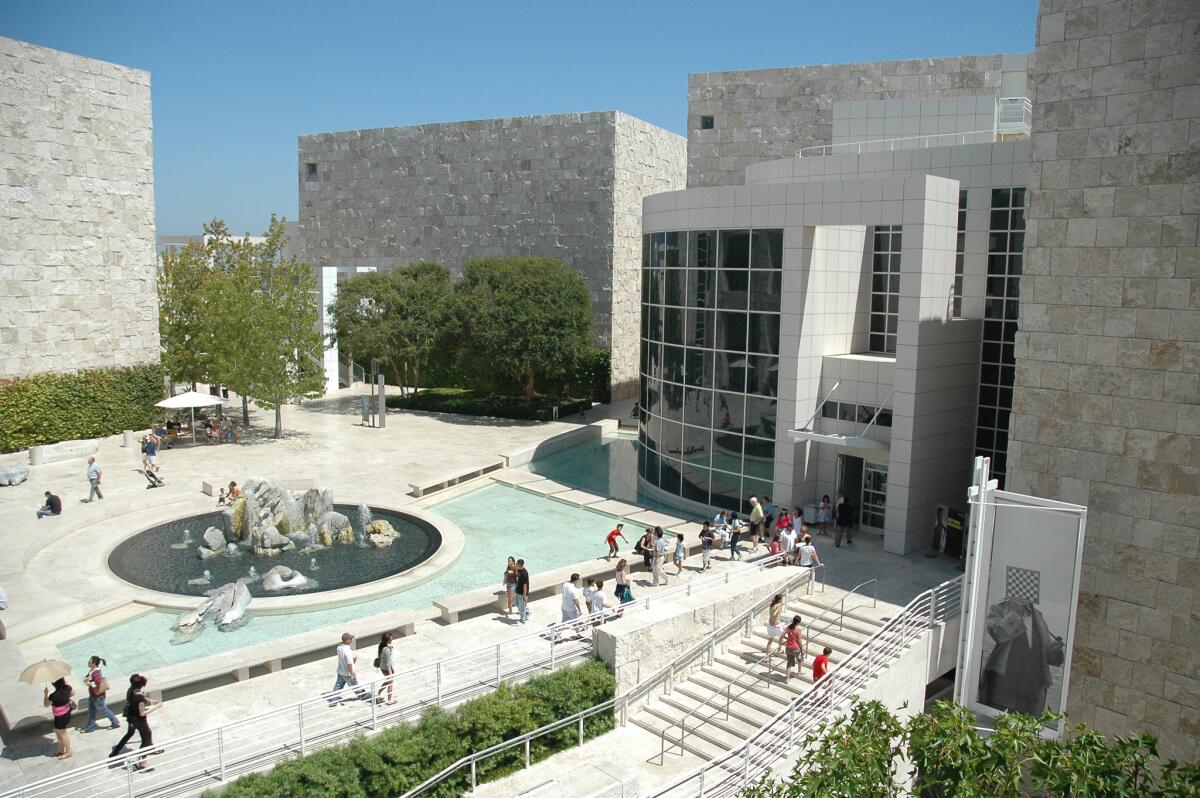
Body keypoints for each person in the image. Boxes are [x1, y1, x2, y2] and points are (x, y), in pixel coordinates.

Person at [978, 593, 1065, 716]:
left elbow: (1047, 653)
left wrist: (1056, 650)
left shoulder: (1038, 617)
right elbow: (998, 634)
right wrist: (1014, 613)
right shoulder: (1001, 609)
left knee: (1027, 730)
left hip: (1031, 691)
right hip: (1003, 686)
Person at [110, 674, 160, 769]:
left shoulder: (131, 690)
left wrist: (151, 701)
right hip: (139, 720)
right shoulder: (139, 697)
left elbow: (142, 696)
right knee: (146, 737)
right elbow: (142, 713)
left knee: (130, 733)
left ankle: (115, 751)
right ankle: (142, 762)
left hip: (131, 717)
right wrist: (155, 707)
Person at [328, 632, 369, 705]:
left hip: (340, 671)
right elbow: (349, 664)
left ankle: (333, 700)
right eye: (350, 639)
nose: (352, 640)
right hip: (347, 673)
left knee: (338, 686)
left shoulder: (339, 647)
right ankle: (362, 696)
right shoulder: (348, 651)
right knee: (354, 685)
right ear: (347, 641)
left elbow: (343, 658)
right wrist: (352, 674)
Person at [82, 656, 120, 732]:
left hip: (98, 696)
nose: (88, 663)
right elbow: (87, 678)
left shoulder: (96, 672)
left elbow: (98, 682)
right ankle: (91, 727)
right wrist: (86, 679)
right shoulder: (92, 670)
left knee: (104, 710)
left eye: (90, 662)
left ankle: (115, 722)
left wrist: (89, 683)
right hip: (93, 695)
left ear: (94, 663)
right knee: (91, 711)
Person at [44, 677, 75, 759]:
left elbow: (46, 704)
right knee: (57, 731)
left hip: (60, 716)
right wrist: (66, 698)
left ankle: (68, 751)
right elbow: (73, 693)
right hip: (66, 712)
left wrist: (45, 694)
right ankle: (61, 749)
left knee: (63, 733)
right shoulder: (68, 688)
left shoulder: (53, 696)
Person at [778, 615, 806, 682]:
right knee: (799, 659)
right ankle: (799, 671)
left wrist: (787, 639)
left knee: (789, 663)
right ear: (799, 622)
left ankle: (787, 678)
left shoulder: (788, 627)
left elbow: (782, 635)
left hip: (788, 647)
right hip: (795, 647)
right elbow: (799, 641)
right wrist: (802, 650)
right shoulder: (798, 630)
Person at [375, 632, 396, 705]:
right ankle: (389, 700)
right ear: (387, 640)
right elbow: (387, 663)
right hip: (387, 669)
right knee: (390, 683)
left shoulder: (381, 646)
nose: (392, 639)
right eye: (391, 638)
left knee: (387, 682)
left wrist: (389, 649)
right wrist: (390, 674)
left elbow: (380, 656)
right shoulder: (386, 650)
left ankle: (378, 694)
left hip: (382, 667)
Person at [764, 594, 784, 659]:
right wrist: (774, 622)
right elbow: (775, 614)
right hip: (776, 624)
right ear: (780, 600)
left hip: (769, 625)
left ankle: (767, 657)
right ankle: (779, 650)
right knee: (782, 636)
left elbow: (772, 613)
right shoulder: (779, 606)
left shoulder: (771, 604)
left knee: (770, 641)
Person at [514, 559, 531, 623]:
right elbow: (517, 575)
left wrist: (524, 595)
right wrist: (516, 570)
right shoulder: (519, 570)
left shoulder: (524, 573)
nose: (515, 565)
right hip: (518, 590)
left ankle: (522, 620)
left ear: (519, 565)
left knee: (521, 608)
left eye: (516, 564)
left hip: (522, 593)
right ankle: (527, 611)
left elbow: (525, 585)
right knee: (516, 603)